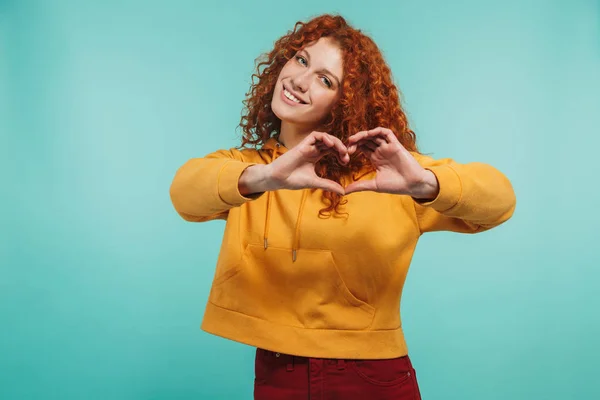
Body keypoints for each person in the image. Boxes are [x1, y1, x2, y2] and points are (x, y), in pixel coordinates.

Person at [169, 13, 516, 400]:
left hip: (371, 373)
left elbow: (500, 200)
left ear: (346, 101)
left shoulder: (389, 177)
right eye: (301, 60)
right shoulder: (250, 169)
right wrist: (265, 178)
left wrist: (424, 183)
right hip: (278, 370)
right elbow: (184, 193)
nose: (300, 81)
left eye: (325, 79)